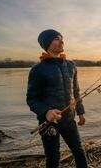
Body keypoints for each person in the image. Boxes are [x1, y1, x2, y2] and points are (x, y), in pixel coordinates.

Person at [26, 29, 88, 168]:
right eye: (56, 39)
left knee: (78, 151)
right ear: (47, 43)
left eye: (61, 38)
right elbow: (32, 99)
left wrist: (80, 112)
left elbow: (76, 91)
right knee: (53, 157)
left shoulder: (71, 65)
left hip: (69, 119)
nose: (61, 41)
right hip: (49, 122)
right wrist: (46, 112)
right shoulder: (38, 69)